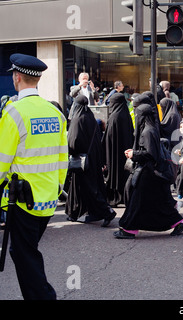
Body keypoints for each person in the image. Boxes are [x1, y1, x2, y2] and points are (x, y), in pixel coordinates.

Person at [0, 53, 68, 299]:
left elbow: (2, 162)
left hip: (22, 200)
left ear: (17, 78)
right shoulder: (55, 113)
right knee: (24, 251)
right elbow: (63, 158)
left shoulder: (13, 113)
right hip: (48, 198)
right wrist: (57, 188)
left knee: (24, 253)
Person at [114, 95, 183, 239]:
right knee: (157, 202)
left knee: (137, 201)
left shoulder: (147, 131)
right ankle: (178, 222)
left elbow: (150, 154)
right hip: (150, 172)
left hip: (148, 172)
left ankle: (129, 229)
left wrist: (133, 154)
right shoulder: (150, 128)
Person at [66, 95, 117, 226]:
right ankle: (78, 212)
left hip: (82, 160)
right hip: (92, 158)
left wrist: (69, 150)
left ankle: (107, 212)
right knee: (87, 186)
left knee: (90, 188)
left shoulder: (78, 119)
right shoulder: (90, 117)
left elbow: (73, 141)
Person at [102, 93, 134, 207]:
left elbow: (108, 137)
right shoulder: (126, 115)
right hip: (125, 153)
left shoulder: (114, 117)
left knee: (115, 174)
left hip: (113, 154)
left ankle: (115, 198)